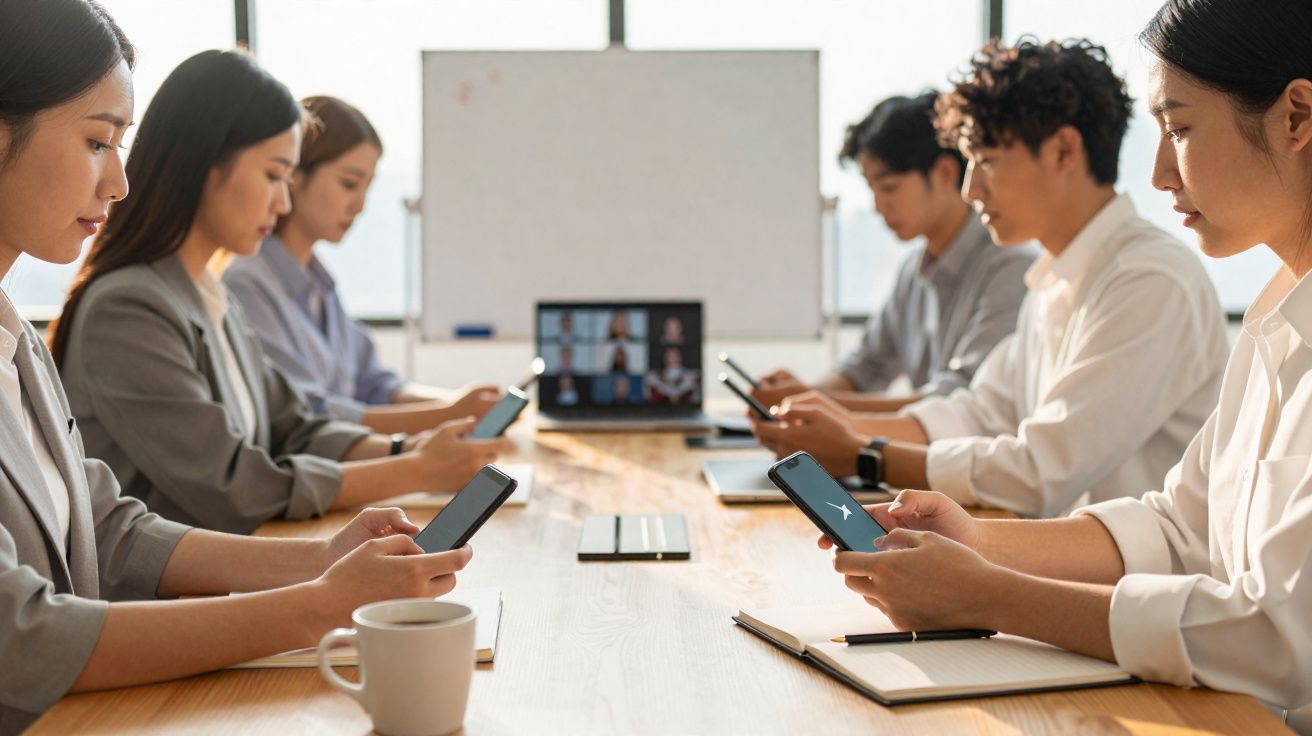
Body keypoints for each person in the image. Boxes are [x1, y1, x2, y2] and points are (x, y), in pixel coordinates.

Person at [820, 3, 1312, 728]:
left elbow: (1276, 640)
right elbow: (1179, 528)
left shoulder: (1157, 281)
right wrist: (979, 542)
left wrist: (986, 591)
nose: (1160, 171)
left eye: (1179, 129)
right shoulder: (1278, 312)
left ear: (1296, 117)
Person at [0, 3, 470, 732]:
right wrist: (316, 601)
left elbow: (107, 527)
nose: (117, 182)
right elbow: (19, 639)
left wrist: (324, 559)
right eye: (97, 141)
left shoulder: (15, 341)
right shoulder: (129, 304)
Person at [753, 37, 1230, 518]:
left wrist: (865, 454)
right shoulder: (1054, 283)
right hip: (1065, 566)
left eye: (987, 161)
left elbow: (1039, 470)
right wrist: (841, 426)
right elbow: (977, 413)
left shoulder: (1148, 280)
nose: (970, 189)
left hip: (1124, 585)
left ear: (1064, 150)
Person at [47, 50, 505, 534]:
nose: (283, 201)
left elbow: (296, 427)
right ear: (206, 163)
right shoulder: (129, 308)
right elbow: (235, 484)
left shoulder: (209, 295)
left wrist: (409, 450)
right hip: (170, 600)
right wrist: (414, 469)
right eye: (273, 175)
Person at [222, 96, 498, 435]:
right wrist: (448, 415)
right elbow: (309, 415)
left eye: (368, 188)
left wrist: (459, 405)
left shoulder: (320, 284)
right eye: (349, 184)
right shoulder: (247, 285)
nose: (361, 205)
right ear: (295, 174)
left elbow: (374, 383)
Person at [752, 93, 1034, 413]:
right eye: (871, 190)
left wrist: (822, 409)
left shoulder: (1010, 270)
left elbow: (960, 405)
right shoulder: (912, 270)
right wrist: (801, 398)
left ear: (944, 173)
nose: (877, 207)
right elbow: (867, 364)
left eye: (888, 188)